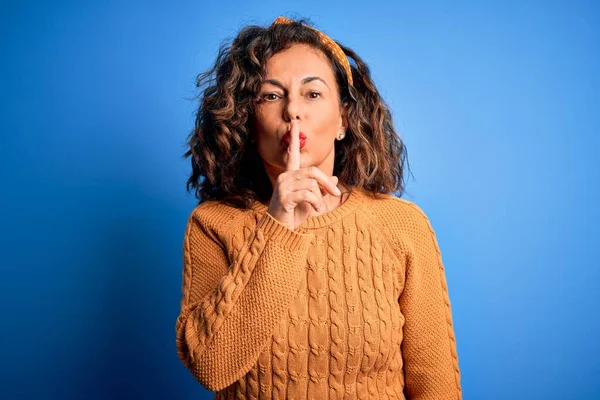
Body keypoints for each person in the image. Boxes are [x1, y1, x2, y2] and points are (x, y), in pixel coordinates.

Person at [175, 15, 462, 400]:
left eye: (312, 94)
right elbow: (212, 366)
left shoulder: (403, 226)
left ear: (343, 119)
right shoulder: (213, 224)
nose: (293, 110)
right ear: (248, 119)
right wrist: (278, 225)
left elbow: (436, 386)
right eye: (271, 95)